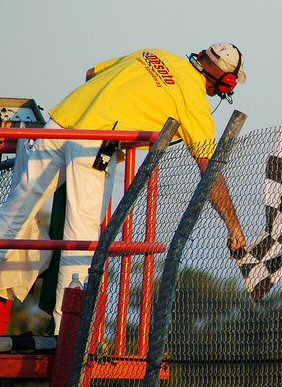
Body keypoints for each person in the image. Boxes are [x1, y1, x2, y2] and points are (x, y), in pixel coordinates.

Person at [0, 42, 247, 334]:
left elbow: (93, 73)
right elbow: (209, 169)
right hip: (94, 143)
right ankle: (65, 333)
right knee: (81, 239)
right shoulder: (195, 103)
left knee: (14, 215)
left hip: (59, 122)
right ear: (226, 82)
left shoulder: (156, 54)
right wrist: (234, 226)